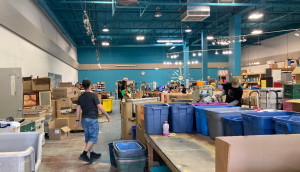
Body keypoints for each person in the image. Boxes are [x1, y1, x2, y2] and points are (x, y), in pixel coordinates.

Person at [74, 79, 111, 163]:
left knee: (88, 137)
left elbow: (78, 110)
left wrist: (77, 121)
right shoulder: (93, 95)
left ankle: (92, 153)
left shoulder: (80, 97)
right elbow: (100, 107)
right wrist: (107, 115)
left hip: (84, 120)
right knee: (93, 137)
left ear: (82, 86)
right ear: (90, 86)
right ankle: (84, 154)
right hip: (92, 119)